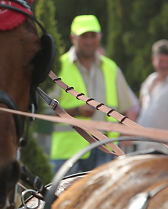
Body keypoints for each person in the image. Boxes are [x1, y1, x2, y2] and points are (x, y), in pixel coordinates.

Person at [49, 15, 139, 174]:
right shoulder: (59, 67)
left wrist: (124, 139)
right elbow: (45, 112)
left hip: (106, 150)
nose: (89, 41)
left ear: (100, 37)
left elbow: (126, 109)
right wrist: (77, 112)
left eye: (93, 36)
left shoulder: (111, 68)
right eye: (84, 36)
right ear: (72, 38)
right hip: (69, 153)